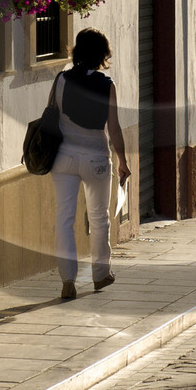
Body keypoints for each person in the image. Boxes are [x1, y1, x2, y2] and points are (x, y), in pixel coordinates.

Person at [49, 28, 131, 300]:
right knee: (99, 217)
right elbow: (114, 128)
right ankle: (100, 274)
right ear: (102, 54)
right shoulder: (107, 85)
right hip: (96, 157)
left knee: (64, 218)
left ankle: (68, 280)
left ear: (77, 51)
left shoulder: (60, 80)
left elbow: (50, 114)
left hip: (64, 157)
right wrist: (123, 161)